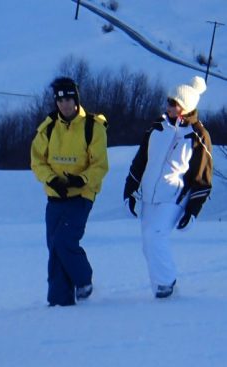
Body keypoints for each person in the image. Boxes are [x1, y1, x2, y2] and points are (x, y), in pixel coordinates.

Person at [123, 76, 212, 298]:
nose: (169, 107)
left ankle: (167, 284)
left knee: (155, 236)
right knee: (147, 242)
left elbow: (203, 177)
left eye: (174, 103)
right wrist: (130, 191)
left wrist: (192, 211)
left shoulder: (198, 136)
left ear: (186, 106)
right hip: (150, 196)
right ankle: (161, 292)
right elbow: (140, 160)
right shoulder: (156, 128)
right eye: (168, 101)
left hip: (175, 196)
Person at [31, 76, 109, 306]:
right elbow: (37, 161)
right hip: (55, 196)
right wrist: (51, 179)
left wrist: (81, 179)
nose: (65, 104)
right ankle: (59, 300)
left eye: (69, 99)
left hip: (81, 195)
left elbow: (100, 165)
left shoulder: (93, 127)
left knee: (65, 240)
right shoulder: (47, 128)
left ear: (76, 99)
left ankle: (83, 280)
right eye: (60, 99)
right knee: (54, 247)